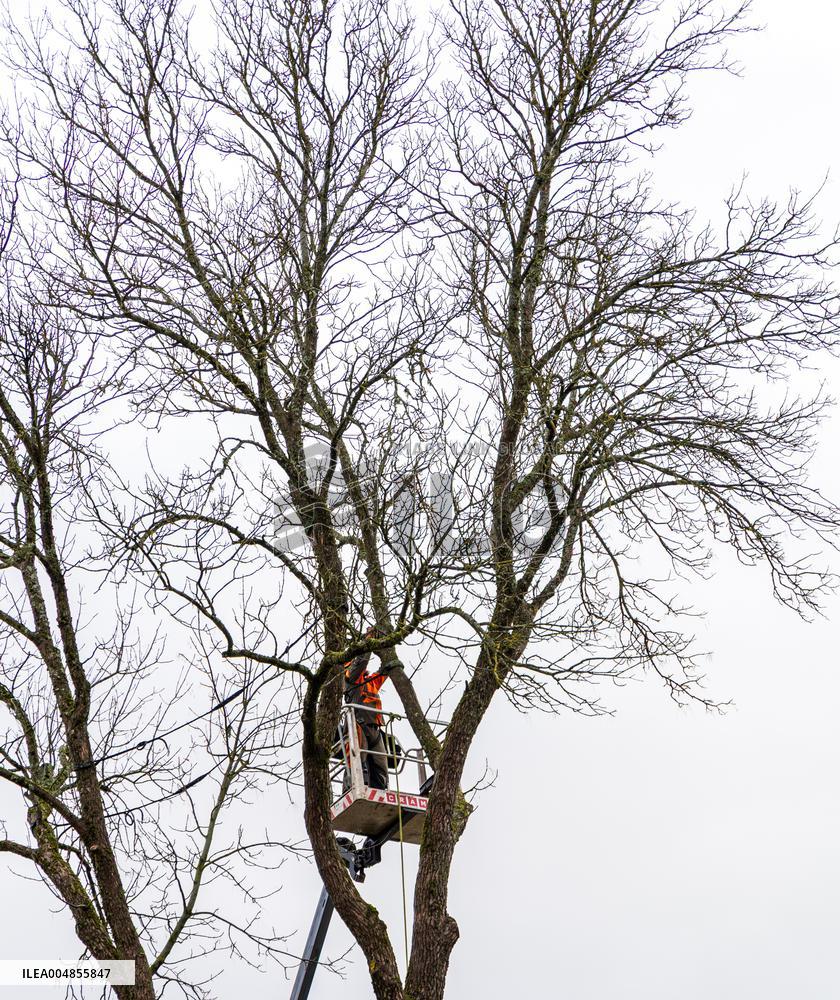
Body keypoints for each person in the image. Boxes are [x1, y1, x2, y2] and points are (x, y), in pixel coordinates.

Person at [344, 636, 392, 790]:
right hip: (357, 725)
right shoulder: (351, 678)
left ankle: (380, 790)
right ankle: (351, 788)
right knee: (357, 760)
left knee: (381, 763)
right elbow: (361, 661)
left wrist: (387, 648)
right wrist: (369, 639)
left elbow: (384, 672)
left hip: (375, 728)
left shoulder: (370, 681)